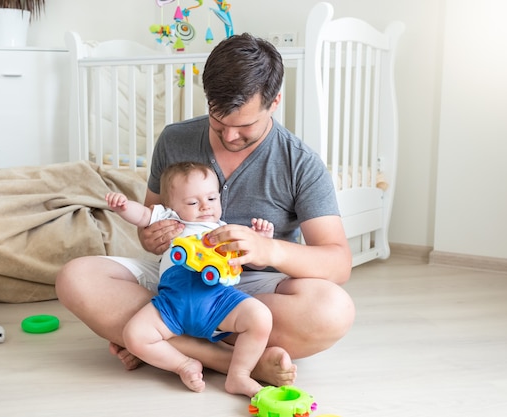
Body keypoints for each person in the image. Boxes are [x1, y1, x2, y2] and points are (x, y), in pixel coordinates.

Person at [56, 33, 355, 390]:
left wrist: (268, 250)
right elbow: (152, 224)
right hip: (178, 278)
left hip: (250, 290)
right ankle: (234, 362)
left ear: (274, 102)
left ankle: (158, 343)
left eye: (244, 127)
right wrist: (152, 236)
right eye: (218, 122)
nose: (229, 137)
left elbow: (338, 262)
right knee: (75, 277)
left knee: (334, 310)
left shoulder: (299, 162)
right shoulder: (175, 139)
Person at [105, 161, 274, 396]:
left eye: (212, 199)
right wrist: (123, 206)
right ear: (171, 206)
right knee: (134, 335)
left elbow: (256, 261)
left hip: (218, 300)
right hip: (172, 304)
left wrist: (261, 240)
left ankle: (239, 376)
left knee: (261, 316)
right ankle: (183, 364)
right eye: (193, 202)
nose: (205, 206)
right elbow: (142, 215)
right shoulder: (172, 219)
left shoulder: (225, 229)